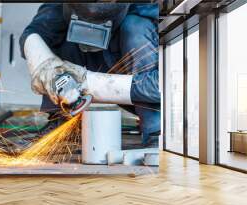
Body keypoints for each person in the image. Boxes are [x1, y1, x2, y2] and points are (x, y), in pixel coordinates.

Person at [19, 3, 160, 146]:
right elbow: (33, 33)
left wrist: (89, 83)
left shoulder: (150, 8)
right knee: (58, 33)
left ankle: (156, 131)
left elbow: (163, 86)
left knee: (135, 27)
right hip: (95, 64)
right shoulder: (59, 8)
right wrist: (46, 66)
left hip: (134, 76)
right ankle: (62, 124)